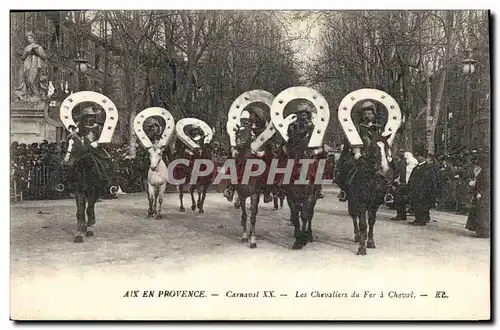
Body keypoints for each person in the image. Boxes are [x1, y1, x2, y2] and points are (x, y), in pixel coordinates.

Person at [336, 101, 383, 201]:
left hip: (377, 155)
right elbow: (354, 139)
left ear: (374, 115)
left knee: (392, 168)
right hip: (361, 154)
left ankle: (389, 192)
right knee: (347, 167)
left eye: (369, 114)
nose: (367, 116)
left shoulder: (379, 128)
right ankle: (344, 190)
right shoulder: (358, 127)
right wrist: (357, 152)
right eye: (365, 114)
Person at [407, 144, 440, 226]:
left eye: (418, 157)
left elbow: (429, 181)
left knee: (422, 205)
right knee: (416, 204)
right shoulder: (417, 167)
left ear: (422, 157)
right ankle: (418, 218)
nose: (417, 158)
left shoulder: (428, 168)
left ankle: (421, 220)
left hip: (423, 191)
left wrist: (426, 190)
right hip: (416, 190)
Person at [14, 31, 48, 102]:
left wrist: (36, 52)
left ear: (33, 39)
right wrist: (25, 53)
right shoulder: (26, 47)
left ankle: (36, 95)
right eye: (28, 39)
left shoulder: (38, 47)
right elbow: (23, 58)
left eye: (30, 38)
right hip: (27, 65)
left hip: (35, 64)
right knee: (27, 80)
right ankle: (29, 96)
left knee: (32, 80)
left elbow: (44, 57)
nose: (29, 40)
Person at [465, 149, 490, 238]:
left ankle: (484, 231)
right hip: (479, 193)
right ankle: (479, 230)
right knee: (478, 211)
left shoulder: (486, 171)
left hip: (483, 194)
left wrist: (481, 192)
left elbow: (487, 183)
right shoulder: (483, 170)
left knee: (482, 212)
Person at [391, 152, 418, 221]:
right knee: (400, 200)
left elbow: (401, 174)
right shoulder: (403, 164)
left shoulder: (401, 165)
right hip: (402, 183)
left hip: (400, 184)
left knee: (399, 200)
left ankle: (400, 215)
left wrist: (398, 183)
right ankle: (402, 215)